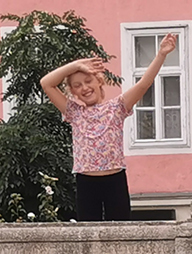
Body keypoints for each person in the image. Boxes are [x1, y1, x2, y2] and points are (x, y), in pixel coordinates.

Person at [40, 35, 177, 222]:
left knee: (120, 229)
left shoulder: (117, 107)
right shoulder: (73, 112)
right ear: (73, 92)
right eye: (77, 85)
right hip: (86, 181)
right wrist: (76, 65)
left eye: (88, 81)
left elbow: (144, 84)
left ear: (99, 81)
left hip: (115, 179)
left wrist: (161, 54)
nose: (84, 88)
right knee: (88, 231)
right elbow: (46, 83)